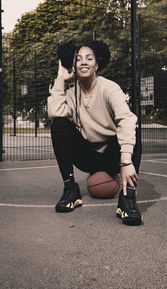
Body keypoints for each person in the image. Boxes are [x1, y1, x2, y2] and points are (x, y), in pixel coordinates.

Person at [47, 40, 143, 226]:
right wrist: (60, 78)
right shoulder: (71, 93)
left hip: (113, 154)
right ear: (73, 66)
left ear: (96, 64)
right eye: (78, 59)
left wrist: (125, 160)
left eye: (89, 58)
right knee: (59, 125)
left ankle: (127, 199)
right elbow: (55, 113)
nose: (83, 62)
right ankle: (70, 189)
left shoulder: (109, 88)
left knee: (133, 126)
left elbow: (126, 119)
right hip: (87, 156)